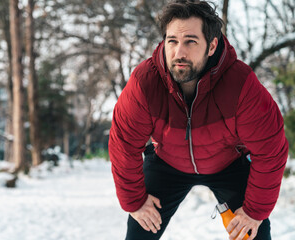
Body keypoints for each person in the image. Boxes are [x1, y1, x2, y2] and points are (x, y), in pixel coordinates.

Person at [108, 1, 289, 240]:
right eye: (172, 41)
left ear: (212, 45)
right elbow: (123, 143)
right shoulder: (145, 83)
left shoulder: (241, 84)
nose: (178, 52)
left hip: (228, 164)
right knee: (140, 231)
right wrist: (134, 202)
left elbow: (271, 149)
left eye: (190, 42)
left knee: (254, 233)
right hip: (167, 164)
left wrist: (255, 212)